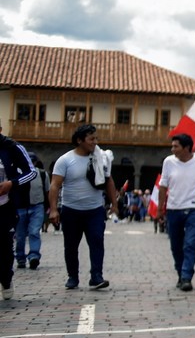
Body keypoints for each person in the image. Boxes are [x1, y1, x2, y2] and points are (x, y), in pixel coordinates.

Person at [49, 124, 119, 291]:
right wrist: (53, 209)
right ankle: (73, 276)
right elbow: (54, 185)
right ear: (80, 140)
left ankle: (96, 276)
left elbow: (109, 181)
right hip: (71, 210)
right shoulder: (65, 160)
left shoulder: (100, 158)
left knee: (97, 241)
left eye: (96, 138)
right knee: (71, 245)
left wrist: (114, 204)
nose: (95, 142)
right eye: (91, 139)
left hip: (94, 210)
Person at [157, 133, 195, 292]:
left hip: (194, 209)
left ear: (186, 148)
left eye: (176, 146)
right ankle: (180, 272)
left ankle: (186, 277)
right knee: (175, 246)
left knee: (190, 244)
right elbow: (163, 186)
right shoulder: (168, 162)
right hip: (173, 209)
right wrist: (160, 209)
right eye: (172, 146)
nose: (172, 149)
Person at [1, 128, 38, 300]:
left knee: (5, 250)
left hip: (5, 206)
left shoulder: (12, 147)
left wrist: (12, 183)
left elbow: (31, 172)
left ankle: (6, 279)